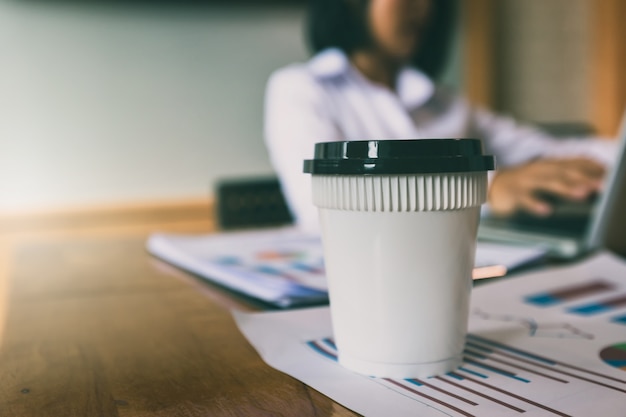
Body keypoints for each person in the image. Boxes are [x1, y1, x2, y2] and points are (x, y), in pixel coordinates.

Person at [264, 0, 617, 233]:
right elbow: (320, 210)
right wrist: (488, 189)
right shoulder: (301, 88)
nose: (423, 7)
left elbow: (542, 149)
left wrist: (617, 154)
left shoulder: (443, 102)